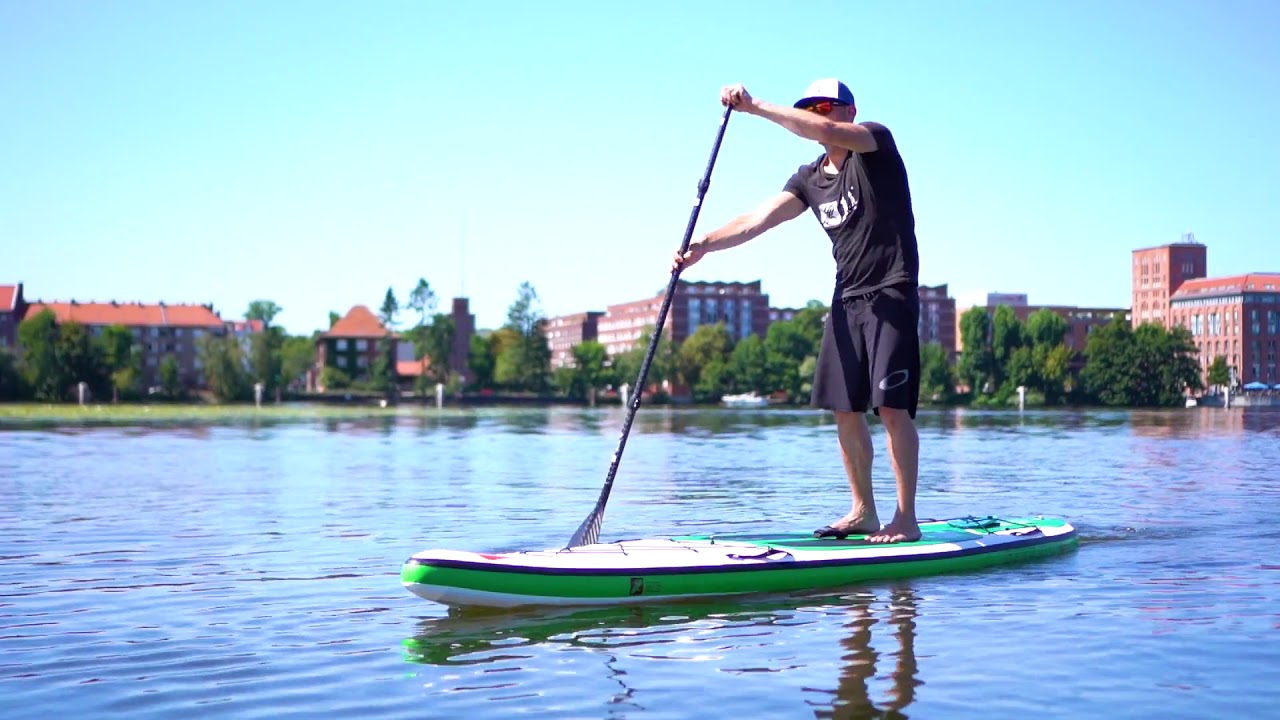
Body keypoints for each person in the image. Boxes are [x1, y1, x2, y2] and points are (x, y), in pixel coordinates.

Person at [671, 79, 922, 543]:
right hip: (847, 299)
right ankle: (863, 512)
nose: (820, 115)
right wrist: (702, 245)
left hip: (892, 290)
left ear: (849, 112)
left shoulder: (874, 142)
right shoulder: (809, 179)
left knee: (890, 408)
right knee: (844, 410)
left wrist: (757, 107)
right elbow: (757, 220)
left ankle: (905, 518)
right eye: (811, 107)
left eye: (828, 108)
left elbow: (821, 129)